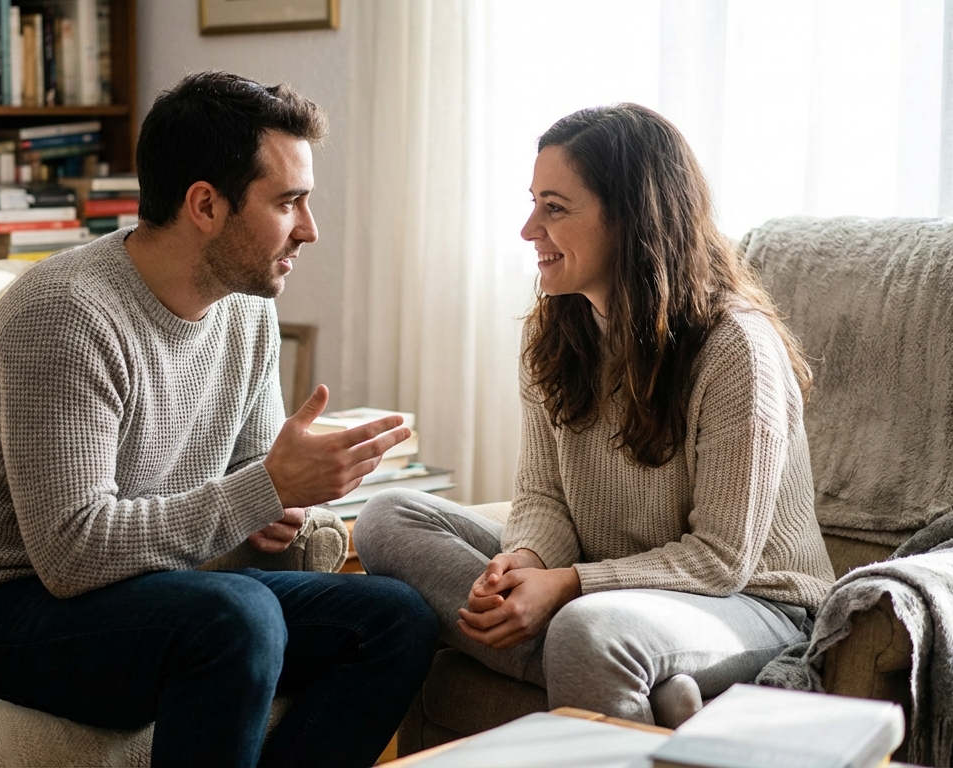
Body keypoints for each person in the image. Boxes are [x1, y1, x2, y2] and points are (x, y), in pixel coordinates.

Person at [0, 71, 439, 767]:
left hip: (143, 593)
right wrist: (262, 490)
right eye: (288, 203)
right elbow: (72, 553)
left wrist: (280, 504)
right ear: (206, 205)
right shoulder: (66, 316)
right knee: (237, 622)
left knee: (398, 620)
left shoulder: (248, 309)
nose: (310, 229)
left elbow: (251, 476)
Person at [355, 103, 836, 724]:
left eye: (554, 208)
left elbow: (720, 558)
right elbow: (541, 497)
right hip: (610, 589)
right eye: (533, 203)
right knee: (388, 517)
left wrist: (568, 586)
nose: (529, 229)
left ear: (631, 218)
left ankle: (612, 658)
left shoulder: (735, 347)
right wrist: (524, 563)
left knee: (588, 627)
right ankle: (646, 684)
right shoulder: (554, 332)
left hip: (753, 602)